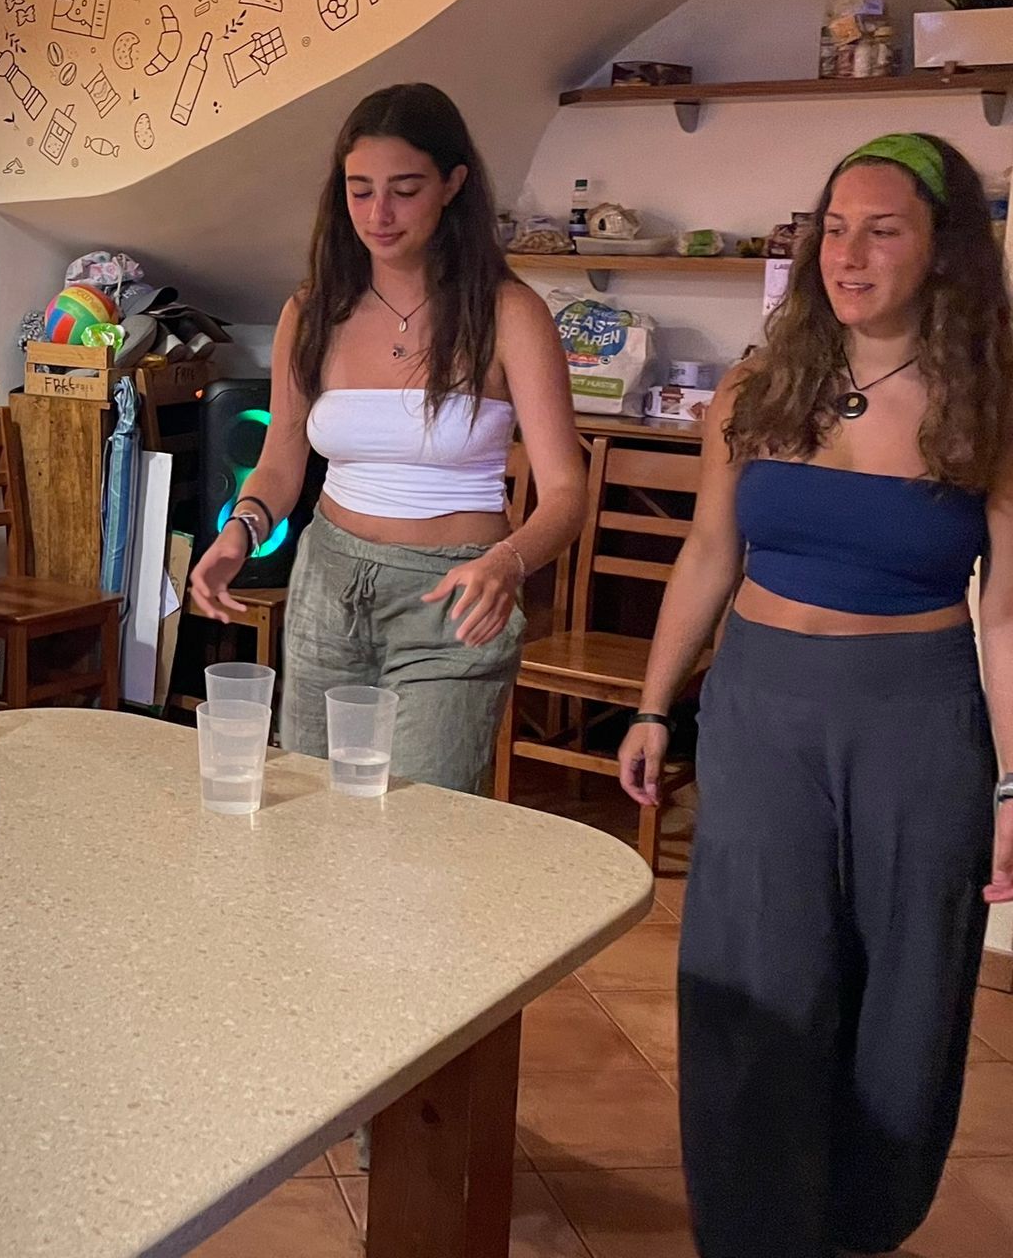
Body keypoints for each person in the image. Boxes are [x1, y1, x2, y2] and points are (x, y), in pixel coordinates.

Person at [617, 133, 1013, 1258]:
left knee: (906, 988)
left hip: (919, 717)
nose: (850, 255)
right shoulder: (759, 387)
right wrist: (653, 704)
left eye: (883, 231)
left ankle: (861, 1224)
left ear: (943, 251)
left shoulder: (989, 404)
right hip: (761, 707)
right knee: (755, 974)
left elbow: (1007, 613)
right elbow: (708, 554)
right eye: (834, 230)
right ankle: (753, 1233)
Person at [189, 83, 584, 793]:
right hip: (328, 584)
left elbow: (564, 493)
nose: (379, 214)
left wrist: (508, 563)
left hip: (454, 596)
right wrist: (238, 534)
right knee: (312, 807)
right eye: (360, 190)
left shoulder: (509, 313)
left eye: (404, 190)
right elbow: (280, 462)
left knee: (418, 825)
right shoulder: (312, 310)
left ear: (452, 185)